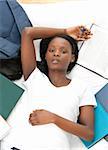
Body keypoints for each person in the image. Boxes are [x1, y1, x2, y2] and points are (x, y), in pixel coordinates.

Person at [1, 26, 96, 150]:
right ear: (45, 56)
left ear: (72, 58)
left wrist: (53, 118)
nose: (56, 53)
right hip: (17, 146)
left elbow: (88, 134)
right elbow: (28, 33)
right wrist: (65, 31)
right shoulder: (34, 77)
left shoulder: (81, 88)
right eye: (51, 50)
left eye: (63, 51)